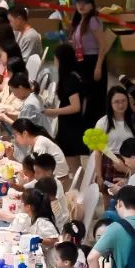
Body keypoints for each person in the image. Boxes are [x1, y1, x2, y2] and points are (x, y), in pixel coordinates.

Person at [43, 43, 86, 181]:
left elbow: (75, 106)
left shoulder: (70, 80)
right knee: (73, 164)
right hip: (70, 125)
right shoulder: (74, 75)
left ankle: (79, 193)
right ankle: (79, 190)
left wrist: (54, 111)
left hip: (71, 127)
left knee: (73, 165)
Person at [69, 0, 108, 125]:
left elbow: (103, 45)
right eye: (79, 3)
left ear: (92, 6)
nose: (81, 6)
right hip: (82, 60)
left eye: (85, 3)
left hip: (93, 60)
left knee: (95, 96)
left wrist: (98, 66)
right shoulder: (80, 20)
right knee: (85, 93)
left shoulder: (92, 20)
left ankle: (96, 124)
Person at [93, 86, 135, 195]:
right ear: (110, 103)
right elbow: (97, 151)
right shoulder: (102, 123)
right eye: (116, 102)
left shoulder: (134, 121)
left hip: (130, 162)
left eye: (123, 101)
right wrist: (99, 175)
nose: (121, 105)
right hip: (109, 162)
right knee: (109, 203)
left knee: (127, 201)